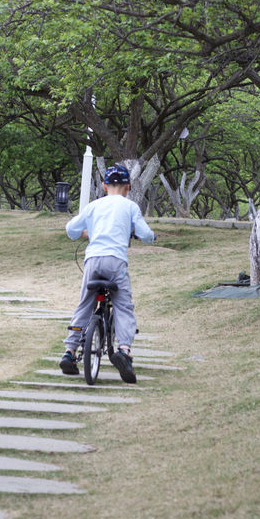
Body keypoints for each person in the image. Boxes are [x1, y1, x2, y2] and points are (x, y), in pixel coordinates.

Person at [59, 163, 155, 384]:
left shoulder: (94, 206)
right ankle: (123, 350)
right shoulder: (129, 206)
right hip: (116, 262)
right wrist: (150, 238)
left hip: (93, 260)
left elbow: (70, 229)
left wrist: (84, 233)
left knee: (84, 303)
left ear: (104, 186)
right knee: (123, 305)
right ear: (128, 187)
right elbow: (145, 233)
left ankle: (70, 351)